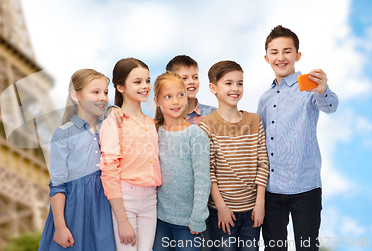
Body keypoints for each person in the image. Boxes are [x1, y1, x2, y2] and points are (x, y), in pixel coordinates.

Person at [258, 25, 339, 250]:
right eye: (274, 52)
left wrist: (323, 89)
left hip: (305, 187)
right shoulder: (264, 98)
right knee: (274, 248)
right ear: (267, 58)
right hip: (272, 190)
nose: (281, 57)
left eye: (287, 51)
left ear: (297, 55)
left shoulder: (310, 86)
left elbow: (330, 105)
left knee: (307, 247)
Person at [39, 69, 116, 251]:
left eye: (105, 92)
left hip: (106, 210)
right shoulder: (63, 133)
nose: (103, 97)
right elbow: (57, 184)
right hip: (74, 212)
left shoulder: (109, 128)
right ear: (76, 95)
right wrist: (60, 226)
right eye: (95, 92)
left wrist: (114, 109)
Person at [199, 60, 270, 251]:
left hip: (252, 211)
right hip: (222, 213)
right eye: (228, 83)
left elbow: (263, 163)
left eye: (240, 83)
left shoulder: (255, 121)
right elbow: (208, 170)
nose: (235, 88)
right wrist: (221, 207)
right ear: (213, 88)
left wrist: (260, 203)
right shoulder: (207, 125)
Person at [99, 58, 162, 251]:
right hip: (126, 198)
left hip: (151, 199)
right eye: (137, 82)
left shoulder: (152, 123)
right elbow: (108, 172)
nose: (145, 86)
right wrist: (122, 220)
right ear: (120, 87)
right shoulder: (113, 122)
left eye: (147, 81)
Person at [151, 71, 211, 251]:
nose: (175, 101)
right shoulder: (154, 131)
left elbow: (202, 180)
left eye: (180, 95)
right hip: (161, 219)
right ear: (157, 101)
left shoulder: (196, 135)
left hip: (188, 222)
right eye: (168, 96)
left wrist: (197, 218)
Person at [166, 55, 217, 124]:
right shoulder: (164, 119)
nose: (191, 81)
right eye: (184, 78)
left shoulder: (213, 114)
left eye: (195, 77)